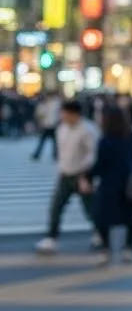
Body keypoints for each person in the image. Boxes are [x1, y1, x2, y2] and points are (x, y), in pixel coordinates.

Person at [35, 100, 99, 255]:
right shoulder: (62, 128)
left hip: (82, 175)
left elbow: (93, 154)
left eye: (64, 113)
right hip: (65, 174)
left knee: (90, 208)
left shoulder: (88, 130)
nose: (61, 116)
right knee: (56, 207)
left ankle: (100, 234)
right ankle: (51, 237)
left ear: (74, 114)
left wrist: (86, 174)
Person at [87, 106, 132, 266]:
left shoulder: (105, 140)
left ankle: (106, 249)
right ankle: (129, 249)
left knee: (102, 218)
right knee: (130, 218)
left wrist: (88, 176)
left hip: (109, 184)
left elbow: (99, 164)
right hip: (129, 184)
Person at [30, 92, 61, 161]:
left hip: (53, 125)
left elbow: (59, 114)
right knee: (43, 141)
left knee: (54, 142)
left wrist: (58, 122)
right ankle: (37, 154)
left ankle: (55, 155)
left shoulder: (56, 103)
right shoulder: (43, 104)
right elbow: (38, 114)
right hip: (46, 125)